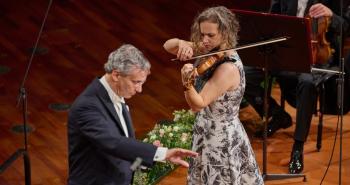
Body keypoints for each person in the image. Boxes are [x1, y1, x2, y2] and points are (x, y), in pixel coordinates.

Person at [67, 44, 198, 185]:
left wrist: (140, 165)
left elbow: (126, 148)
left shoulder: (117, 96)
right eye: (136, 82)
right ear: (116, 75)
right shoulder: (87, 106)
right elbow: (113, 142)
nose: (139, 89)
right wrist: (161, 153)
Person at [244, 0, 350, 174]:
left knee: (307, 82)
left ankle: (298, 147)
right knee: (244, 76)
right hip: (284, 54)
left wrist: (331, 14)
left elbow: (345, 26)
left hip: (319, 57)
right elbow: (270, 22)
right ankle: (277, 115)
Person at [163, 6, 263, 184]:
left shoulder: (227, 68)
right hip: (206, 130)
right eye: (202, 34)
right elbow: (167, 46)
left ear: (225, 33)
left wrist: (186, 82)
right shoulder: (210, 49)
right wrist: (182, 43)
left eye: (210, 35)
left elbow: (198, 103)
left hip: (220, 139)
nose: (205, 40)